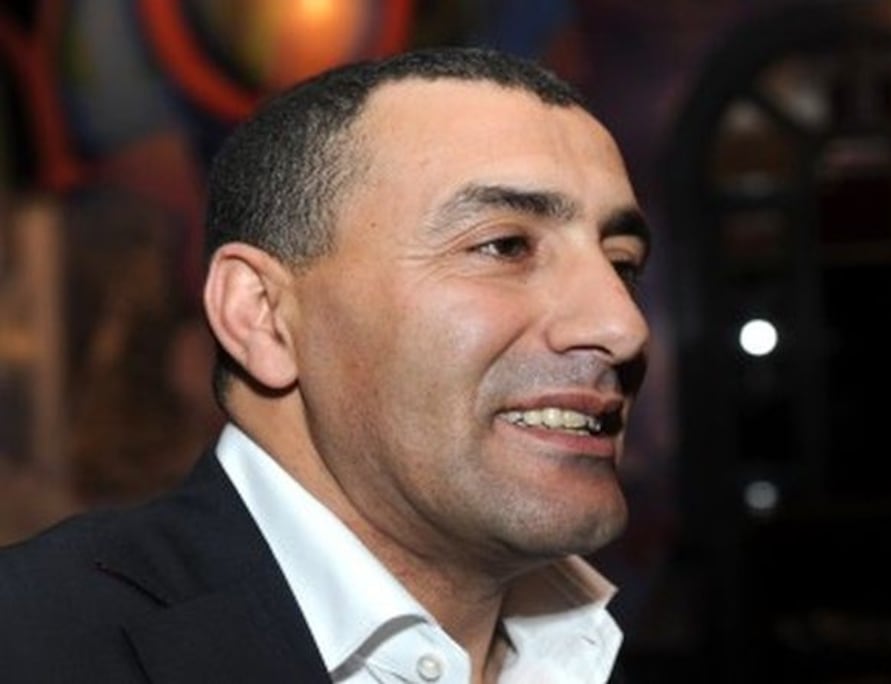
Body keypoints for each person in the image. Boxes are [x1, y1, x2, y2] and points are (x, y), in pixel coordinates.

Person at [0, 45, 651, 683]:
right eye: (505, 246)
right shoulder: (29, 642)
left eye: (622, 265)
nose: (622, 327)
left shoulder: (591, 658)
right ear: (262, 315)